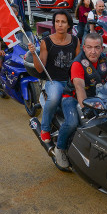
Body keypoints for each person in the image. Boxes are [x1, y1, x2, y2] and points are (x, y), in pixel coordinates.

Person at [55, 32, 107, 167]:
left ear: (102, 48)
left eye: (97, 47)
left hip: (99, 98)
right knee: (72, 123)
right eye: (89, 47)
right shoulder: (78, 64)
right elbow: (79, 87)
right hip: (73, 98)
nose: (93, 51)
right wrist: (85, 108)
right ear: (84, 48)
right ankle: (60, 149)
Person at [27, 10, 80, 146]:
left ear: (69, 25)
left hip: (71, 82)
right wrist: (34, 54)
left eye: (63, 22)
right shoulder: (46, 42)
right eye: (57, 22)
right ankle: (45, 128)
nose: (60, 25)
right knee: (55, 97)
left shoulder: (75, 40)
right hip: (53, 81)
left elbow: (79, 63)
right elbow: (40, 69)